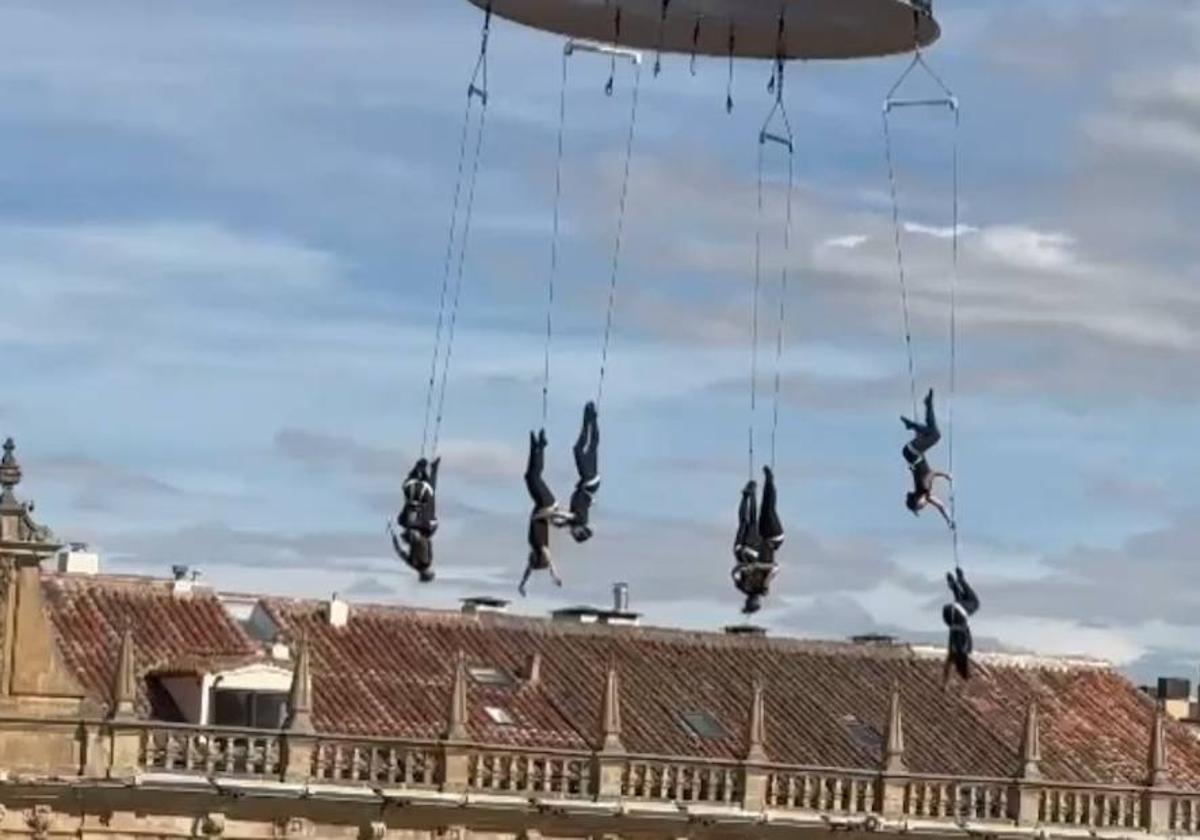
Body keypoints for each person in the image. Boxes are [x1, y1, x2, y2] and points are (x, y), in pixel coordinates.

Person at [731, 467, 784, 614]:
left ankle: (748, 495)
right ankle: (768, 481)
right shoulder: (763, 587)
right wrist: (758, 568)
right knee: (767, 511)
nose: (752, 600)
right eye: (754, 602)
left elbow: (734, 573)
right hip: (768, 541)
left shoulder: (744, 587)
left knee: (746, 522)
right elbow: (775, 567)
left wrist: (746, 568)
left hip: (748, 550)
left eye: (750, 602)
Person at [902, 388, 954, 529]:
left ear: (919, 499)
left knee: (935, 435)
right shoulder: (926, 494)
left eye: (920, 507)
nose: (923, 507)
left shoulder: (924, 487)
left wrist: (946, 476)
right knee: (931, 431)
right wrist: (949, 520)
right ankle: (927, 405)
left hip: (913, 452)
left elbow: (932, 473)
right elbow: (941, 506)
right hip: (912, 453)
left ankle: (914, 422)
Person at [519, 429, 563, 596]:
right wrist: (555, 576)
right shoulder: (540, 545)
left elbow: (528, 571)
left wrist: (522, 584)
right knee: (535, 478)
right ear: (536, 557)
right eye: (530, 560)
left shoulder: (534, 547)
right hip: (548, 505)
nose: (527, 561)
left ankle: (535, 445)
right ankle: (541, 446)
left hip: (541, 505)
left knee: (529, 477)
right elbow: (550, 561)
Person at [552, 401, 600, 543]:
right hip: (588, 482)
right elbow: (567, 517)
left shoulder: (575, 521)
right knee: (580, 450)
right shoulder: (580, 520)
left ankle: (591, 417)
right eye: (575, 534)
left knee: (590, 449)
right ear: (580, 531)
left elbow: (563, 521)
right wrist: (554, 514)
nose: (572, 533)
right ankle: (589, 415)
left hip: (589, 482)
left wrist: (553, 521)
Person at [389, 456, 440, 583]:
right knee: (423, 497)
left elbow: (424, 543)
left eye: (431, 573)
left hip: (421, 528)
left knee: (430, 497)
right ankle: (424, 471)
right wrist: (394, 538)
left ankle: (430, 469)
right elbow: (400, 552)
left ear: (427, 573)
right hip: (412, 529)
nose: (431, 570)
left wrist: (429, 529)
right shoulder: (413, 564)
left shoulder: (425, 562)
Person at [942, 567, 980, 683]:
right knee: (961, 606)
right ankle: (955, 584)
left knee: (975, 603)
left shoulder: (966, 650)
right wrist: (944, 684)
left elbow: (966, 631)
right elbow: (947, 668)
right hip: (949, 615)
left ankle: (960, 580)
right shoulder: (952, 652)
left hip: (956, 615)